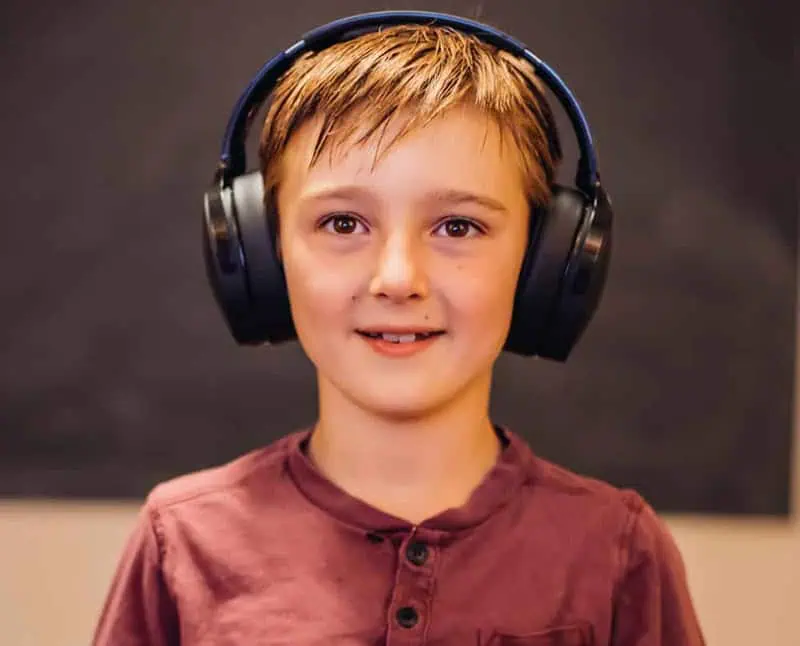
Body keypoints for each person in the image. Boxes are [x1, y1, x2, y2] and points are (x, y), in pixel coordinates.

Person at [93, 13, 705, 646]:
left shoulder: (618, 552)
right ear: (263, 252)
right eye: (342, 224)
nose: (396, 278)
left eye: (458, 227)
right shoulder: (182, 545)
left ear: (545, 262)